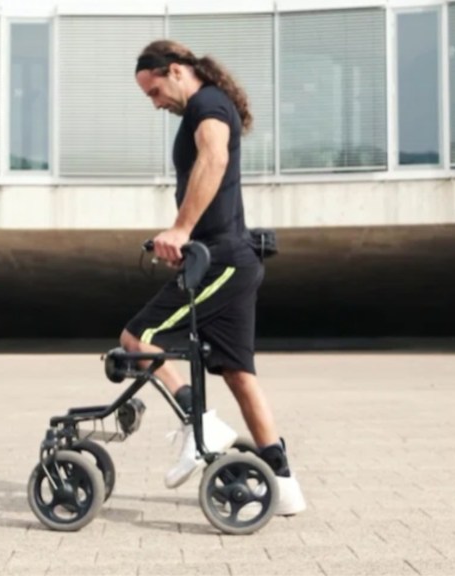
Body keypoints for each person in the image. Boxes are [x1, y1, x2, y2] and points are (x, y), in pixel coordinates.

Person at [122, 39, 305, 516]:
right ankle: (283, 486)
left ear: (177, 71)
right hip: (231, 259)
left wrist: (181, 230)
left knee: (138, 339)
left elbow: (215, 159)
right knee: (239, 375)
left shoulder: (207, 106)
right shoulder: (206, 106)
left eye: (154, 91)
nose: (155, 102)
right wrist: (187, 243)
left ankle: (198, 420)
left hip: (223, 261)